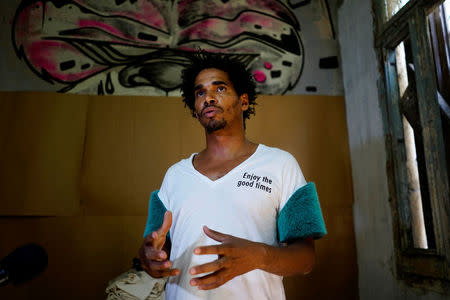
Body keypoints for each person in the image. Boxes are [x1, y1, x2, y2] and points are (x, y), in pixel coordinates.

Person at [139, 52, 326, 300]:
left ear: (244, 101)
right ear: (195, 110)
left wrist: (259, 255)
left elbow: (306, 258)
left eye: (220, 88)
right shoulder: (174, 176)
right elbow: (154, 252)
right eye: (200, 93)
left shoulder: (281, 165)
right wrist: (149, 258)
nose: (208, 98)